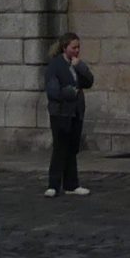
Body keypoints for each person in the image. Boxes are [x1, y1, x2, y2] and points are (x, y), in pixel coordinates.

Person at [42, 32, 93, 198]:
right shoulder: (55, 65)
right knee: (60, 147)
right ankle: (53, 184)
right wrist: (71, 92)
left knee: (72, 148)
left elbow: (89, 81)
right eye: (74, 47)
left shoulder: (76, 64)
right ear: (65, 48)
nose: (77, 50)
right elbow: (53, 91)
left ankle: (72, 183)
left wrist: (80, 67)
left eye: (78, 47)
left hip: (75, 112)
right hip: (60, 113)